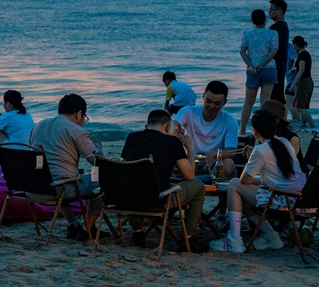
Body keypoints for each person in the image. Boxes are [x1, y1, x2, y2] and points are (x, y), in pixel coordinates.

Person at [209, 110, 306, 254]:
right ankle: (273, 237)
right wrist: (262, 179)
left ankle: (234, 240)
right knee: (246, 203)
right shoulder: (285, 142)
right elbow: (277, 170)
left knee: (234, 185)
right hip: (301, 200)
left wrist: (259, 177)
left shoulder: (261, 150)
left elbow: (244, 180)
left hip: (283, 200)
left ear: (254, 131)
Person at [121, 110, 205, 248]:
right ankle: (188, 238)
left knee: (136, 181)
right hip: (158, 200)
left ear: (146, 126)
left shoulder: (131, 138)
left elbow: (127, 166)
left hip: (130, 199)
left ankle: (138, 232)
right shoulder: (172, 142)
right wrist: (189, 147)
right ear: (167, 127)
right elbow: (189, 176)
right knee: (198, 186)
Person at [28, 93, 104, 240]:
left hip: (34, 188)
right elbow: (95, 161)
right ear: (79, 113)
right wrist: (98, 147)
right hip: (59, 188)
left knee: (63, 176)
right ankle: (86, 229)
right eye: (84, 117)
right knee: (103, 184)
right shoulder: (75, 129)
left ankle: (73, 225)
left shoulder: (39, 125)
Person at [174, 80, 241, 178]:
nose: (211, 106)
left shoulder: (229, 120)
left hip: (215, 163)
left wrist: (213, 154)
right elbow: (174, 124)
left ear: (224, 102)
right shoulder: (188, 112)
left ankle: (221, 190)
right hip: (190, 161)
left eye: (217, 103)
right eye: (208, 101)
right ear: (203, 96)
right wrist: (175, 130)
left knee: (228, 164)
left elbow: (231, 152)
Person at [239, 9, 279, 136]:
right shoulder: (272, 33)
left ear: (253, 21)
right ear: (264, 19)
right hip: (268, 68)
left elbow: (242, 52)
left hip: (252, 70)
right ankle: (263, 131)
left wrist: (251, 65)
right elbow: (273, 52)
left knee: (248, 102)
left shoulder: (247, 33)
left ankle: (242, 130)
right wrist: (261, 65)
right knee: (265, 101)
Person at [261, 99, 304, 166]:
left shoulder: (292, 139)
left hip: (295, 174)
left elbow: (287, 164)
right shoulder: (264, 135)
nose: (262, 121)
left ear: (277, 120)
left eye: (266, 118)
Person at [287, 36, 316, 130]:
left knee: (300, 108)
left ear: (296, 45)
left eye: (294, 45)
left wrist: (294, 82)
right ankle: (303, 126)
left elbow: (302, 69)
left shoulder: (302, 55)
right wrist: (294, 69)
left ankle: (313, 126)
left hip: (304, 81)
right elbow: (301, 67)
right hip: (308, 81)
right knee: (301, 106)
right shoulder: (306, 54)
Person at [268, 0, 290, 103]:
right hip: (280, 67)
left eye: (271, 9)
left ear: (280, 11)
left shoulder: (276, 27)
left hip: (275, 67)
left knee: (274, 99)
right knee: (279, 98)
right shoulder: (283, 26)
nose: (269, 12)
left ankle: (276, 118)